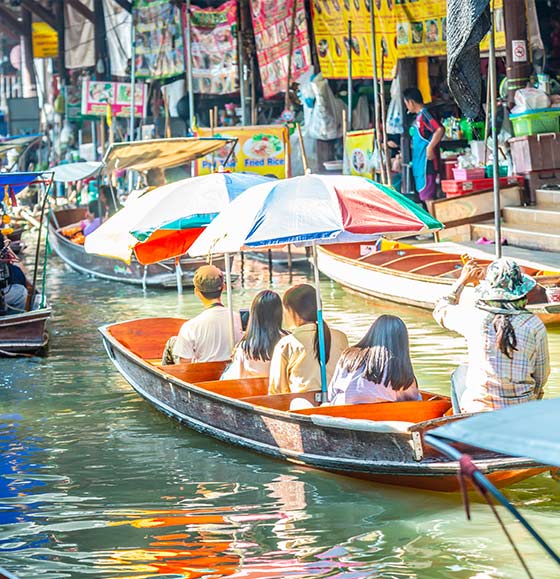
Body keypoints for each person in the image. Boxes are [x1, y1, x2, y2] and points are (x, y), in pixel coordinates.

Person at [433, 258, 550, 414]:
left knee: (460, 373)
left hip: (480, 409)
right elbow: (541, 376)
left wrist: (463, 280)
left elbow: (441, 309)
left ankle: (459, 430)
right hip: (522, 409)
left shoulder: (473, 316)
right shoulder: (534, 324)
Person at [268, 284, 348, 395]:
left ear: (292, 311)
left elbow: (277, 390)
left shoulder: (287, 344)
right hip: (335, 403)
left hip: (300, 405)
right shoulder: (341, 337)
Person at [327, 315, 421, 405]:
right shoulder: (398, 367)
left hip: (342, 413)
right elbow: (414, 400)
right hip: (382, 416)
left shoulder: (349, 356)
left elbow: (331, 393)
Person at [162, 265, 242, 365]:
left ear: (197, 292)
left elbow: (184, 364)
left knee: (172, 342)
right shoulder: (239, 319)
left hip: (203, 375)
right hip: (232, 371)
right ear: (224, 288)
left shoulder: (190, 327)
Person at [221, 290, 286, 380]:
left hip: (254, 391)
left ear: (254, 315)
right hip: (281, 389)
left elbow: (234, 379)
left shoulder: (245, 347)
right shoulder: (288, 341)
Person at [403, 87, 444, 204]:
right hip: (420, 164)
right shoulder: (418, 117)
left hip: (427, 164)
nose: (407, 106)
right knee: (425, 197)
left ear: (411, 102)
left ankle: (435, 222)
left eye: (406, 103)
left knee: (428, 198)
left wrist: (430, 148)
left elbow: (439, 129)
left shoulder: (425, 115)